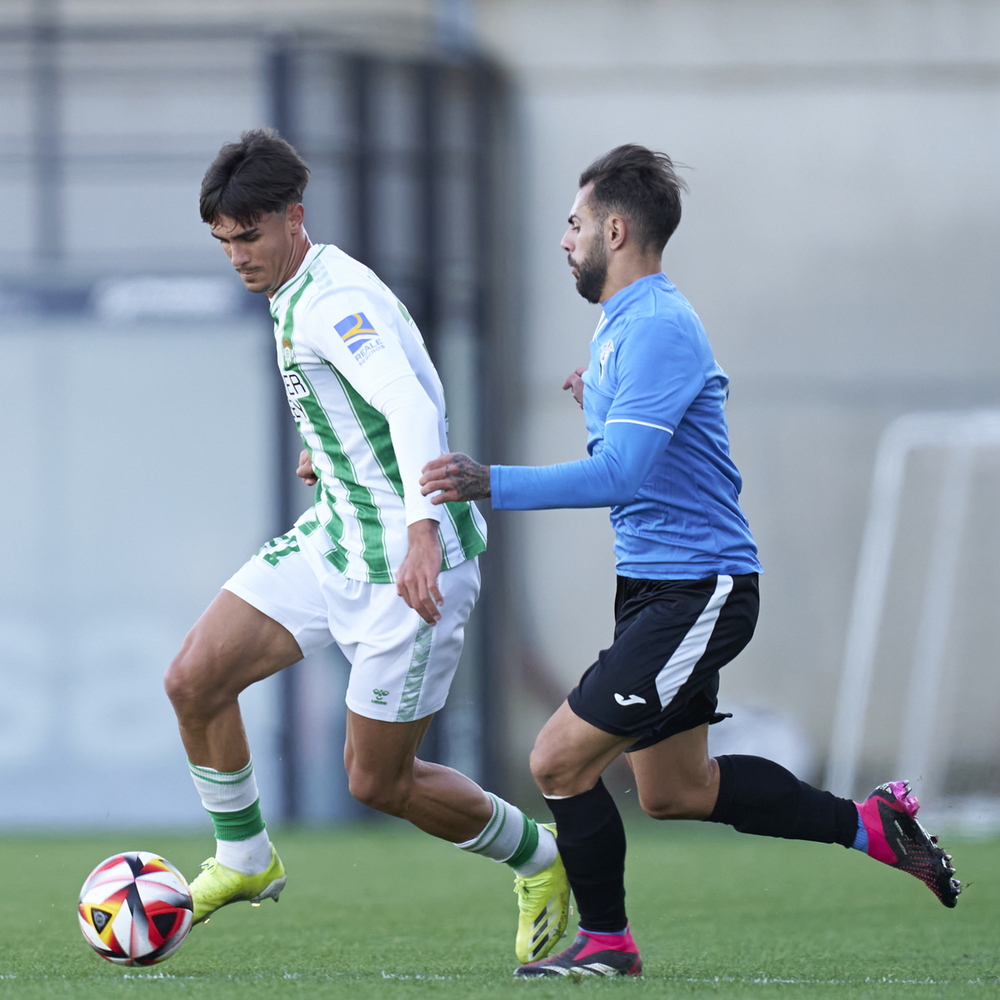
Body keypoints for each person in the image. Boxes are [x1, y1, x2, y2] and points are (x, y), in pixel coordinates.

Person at [420, 144, 961, 978]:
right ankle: (871, 826)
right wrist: (595, 394)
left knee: (556, 759)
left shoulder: (661, 325)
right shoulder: (623, 325)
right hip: (655, 588)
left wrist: (488, 482)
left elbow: (624, 474)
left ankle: (608, 943)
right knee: (677, 790)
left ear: (615, 227)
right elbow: (648, 449)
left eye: (573, 224)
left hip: (697, 589)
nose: (563, 240)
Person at [163, 128, 570, 966]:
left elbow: (414, 411)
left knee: (377, 782)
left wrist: (420, 531)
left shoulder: (331, 302)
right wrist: (333, 446)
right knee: (195, 680)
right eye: (224, 242)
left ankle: (541, 857)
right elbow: (400, 388)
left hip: (409, 569)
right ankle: (244, 858)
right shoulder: (300, 287)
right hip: (337, 538)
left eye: (250, 237)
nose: (237, 257)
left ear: (293, 219)